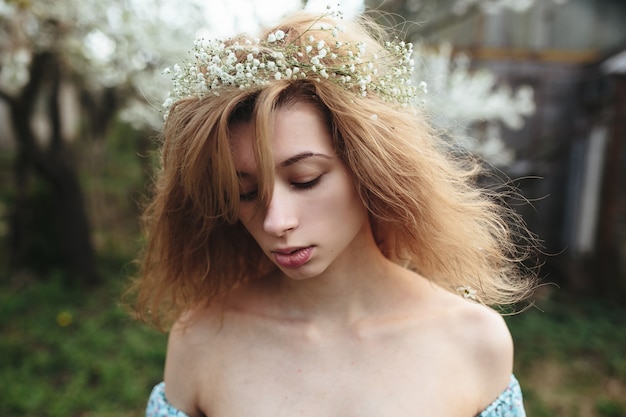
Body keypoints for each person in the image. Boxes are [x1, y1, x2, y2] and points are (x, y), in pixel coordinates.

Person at [128, 8, 537, 417]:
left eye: (305, 179)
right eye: (246, 193)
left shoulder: (473, 341)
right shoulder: (201, 339)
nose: (276, 222)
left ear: (368, 168)